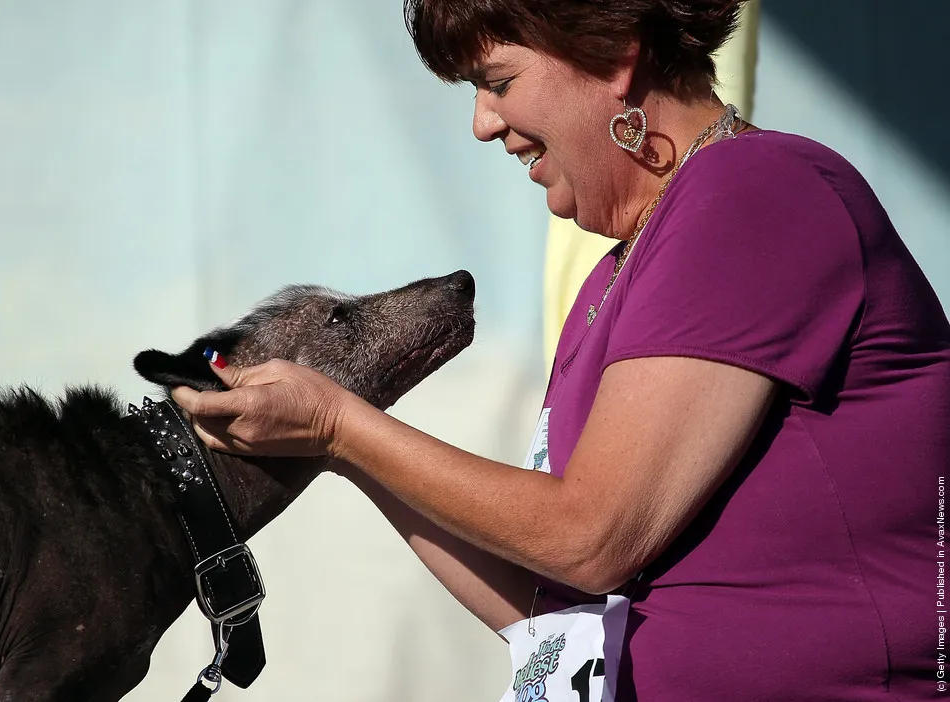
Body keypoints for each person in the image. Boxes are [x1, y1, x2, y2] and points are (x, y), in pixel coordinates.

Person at [172, 0, 950, 698]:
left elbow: (592, 537)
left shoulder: (754, 189)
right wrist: (342, 450)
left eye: (498, 80)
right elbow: (553, 604)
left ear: (614, 55)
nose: (481, 122)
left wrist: (342, 425)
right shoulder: (614, 277)